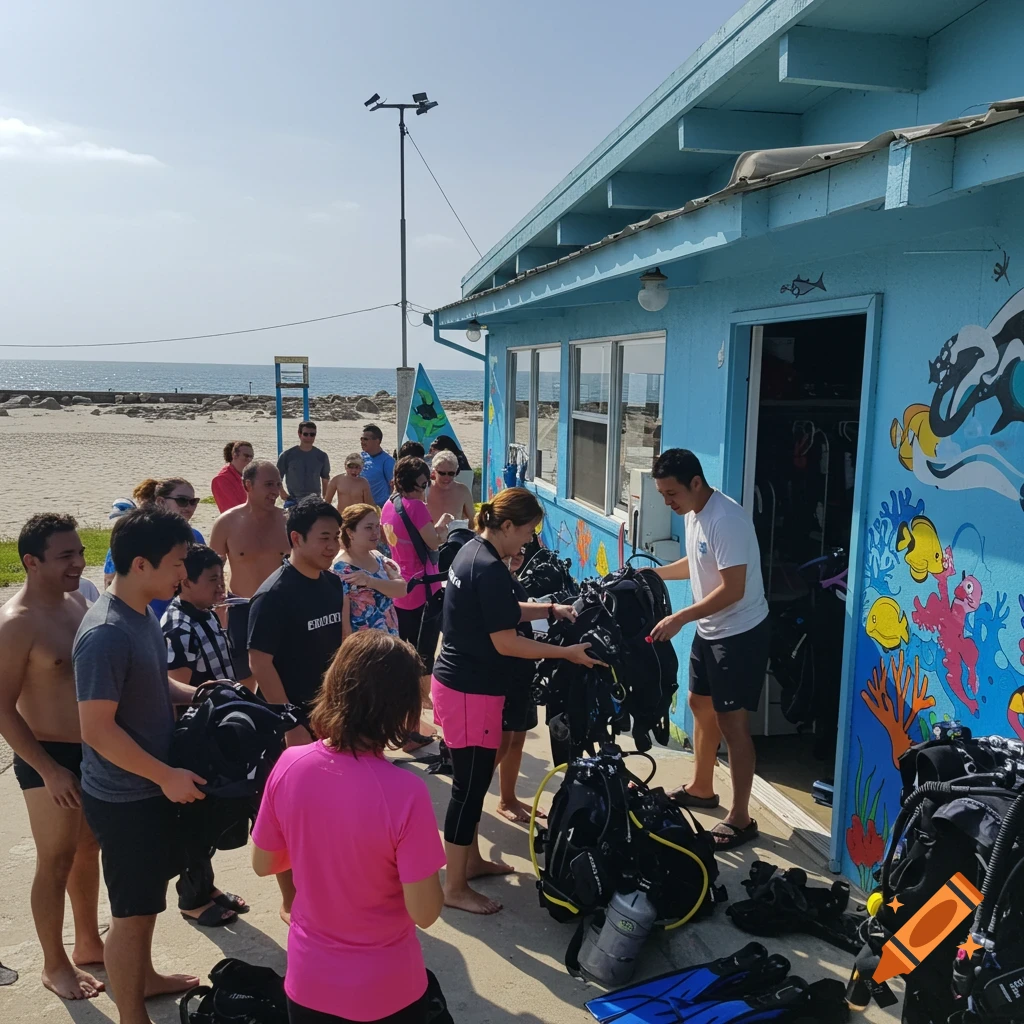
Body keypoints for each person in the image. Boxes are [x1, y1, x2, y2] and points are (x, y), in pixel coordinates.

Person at [251, 630, 444, 1024]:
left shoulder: (290, 764)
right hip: (389, 988)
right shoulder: (406, 793)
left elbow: (263, 862)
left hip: (309, 983)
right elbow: (425, 912)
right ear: (403, 707)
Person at [431, 488, 599, 914]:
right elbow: (505, 641)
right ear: (506, 526)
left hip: (469, 687)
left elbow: (504, 610)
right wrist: (565, 653)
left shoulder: (473, 552)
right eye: (526, 531)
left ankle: (469, 862)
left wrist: (551, 609)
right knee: (468, 790)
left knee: (474, 782)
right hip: (469, 691)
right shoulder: (488, 567)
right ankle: (454, 887)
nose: (529, 539)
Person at [75, 506, 208, 1024]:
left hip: (149, 786)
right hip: (125, 796)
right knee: (130, 915)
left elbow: (149, 680)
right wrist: (165, 776)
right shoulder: (106, 633)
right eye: (177, 563)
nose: (184, 573)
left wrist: (196, 693)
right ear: (140, 565)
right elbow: (96, 729)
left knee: (147, 902)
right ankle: (133, 1015)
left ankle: (145, 979)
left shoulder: (140, 613)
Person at [0, 514, 105, 1001]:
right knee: (55, 859)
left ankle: (87, 942)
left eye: (79, 552)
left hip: (91, 748)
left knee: (88, 849)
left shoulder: (78, 601)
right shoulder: (16, 623)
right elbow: (2, 708)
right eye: (66, 555)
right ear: (32, 561)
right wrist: (48, 769)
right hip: (46, 755)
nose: (78, 562)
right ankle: (53, 963)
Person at [649, 448, 770, 851]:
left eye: (671, 493)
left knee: (732, 723)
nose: (667, 502)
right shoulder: (693, 512)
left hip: (740, 633)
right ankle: (702, 787)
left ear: (696, 483)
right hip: (710, 628)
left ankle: (741, 817)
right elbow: (698, 562)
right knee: (698, 703)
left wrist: (681, 617)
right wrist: (653, 573)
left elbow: (733, 589)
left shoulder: (727, 519)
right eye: (662, 494)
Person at [247, 496, 344, 923]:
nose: (332, 546)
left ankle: (324, 883)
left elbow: (341, 647)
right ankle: (291, 901)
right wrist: (289, 722)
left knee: (329, 810)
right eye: (324, 538)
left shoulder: (332, 584)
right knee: (290, 814)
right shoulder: (273, 595)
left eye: (336, 537)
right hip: (287, 722)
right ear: (296, 539)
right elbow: (259, 662)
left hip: (330, 715)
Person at [161, 545, 248, 927]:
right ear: (186, 581)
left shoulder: (208, 613)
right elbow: (174, 695)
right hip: (197, 741)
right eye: (212, 579)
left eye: (220, 577)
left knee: (212, 817)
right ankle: (191, 898)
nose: (220, 586)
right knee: (195, 822)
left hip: (219, 735)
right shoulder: (178, 627)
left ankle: (206, 886)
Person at [380, 457, 453, 737]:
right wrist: (444, 526)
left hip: (399, 585)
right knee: (422, 656)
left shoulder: (390, 504)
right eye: (424, 484)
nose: (425, 489)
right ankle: (417, 715)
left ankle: (406, 716)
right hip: (423, 588)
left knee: (404, 651)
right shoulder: (417, 507)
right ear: (416, 483)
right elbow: (433, 542)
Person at [209, 460, 289, 683]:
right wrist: (217, 614)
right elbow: (212, 572)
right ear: (248, 485)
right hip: (242, 608)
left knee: (283, 673)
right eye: (269, 484)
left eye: (278, 484)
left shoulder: (287, 521)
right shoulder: (226, 523)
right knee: (245, 678)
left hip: (281, 607)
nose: (276, 491)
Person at [102, 477, 205, 618]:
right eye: (182, 500)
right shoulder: (135, 534)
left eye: (193, 502)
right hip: (143, 616)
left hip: (183, 618)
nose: (188, 507)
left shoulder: (196, 537)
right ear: (161, 501)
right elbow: (110, 580)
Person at [494, 546, 539, 824]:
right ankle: (469, 804)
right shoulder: (491, 579)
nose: (521, 552)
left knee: (517, 738)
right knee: (501, 742)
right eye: (514, 548)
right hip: (503, 671)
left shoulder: (512, 578)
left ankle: (507, 798)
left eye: (524, 548)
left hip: (523, 669)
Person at [332, 504, 403, 639]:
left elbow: (402, 589)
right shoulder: (341, 570)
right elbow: (344, 626)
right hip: (365, 646)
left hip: (391, 640)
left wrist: (370, 581)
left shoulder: (379, 557)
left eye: (377, 526)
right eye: (368, 527)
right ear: (350, 532)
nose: (376, 532)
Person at [278, 421, 331, 506]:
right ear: (299, 434)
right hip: (293, 499)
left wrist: (325, 498)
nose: (309, 437)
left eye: (312, 434)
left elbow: (325, 478)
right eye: (305, 434)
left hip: (315, 500)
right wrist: (282, 492)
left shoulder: (322, 456)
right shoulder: (287, 455)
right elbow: (278, 476)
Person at [426, 450, 475, 530]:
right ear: (434, 472)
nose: (446, 478)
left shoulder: (463, 491)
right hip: (429, 536)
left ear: (456, 472)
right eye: (442, 473)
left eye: (451, 473)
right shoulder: (425, 489)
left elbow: (473, 522)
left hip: (454, 536)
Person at [211, 440, 254, 513]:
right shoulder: (221, 479)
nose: (249, 460)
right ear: (234, 455)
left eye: (251, 457)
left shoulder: (249, 476)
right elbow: (235, 510)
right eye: (246, 456)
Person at [360, 423, 396, 506]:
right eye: (361, 439)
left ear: (377, 441)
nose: (362, 442)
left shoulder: (387, 461)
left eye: (365, 439)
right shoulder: (361, 457)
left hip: (379, 507)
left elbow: (394, 486)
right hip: (361, 507)